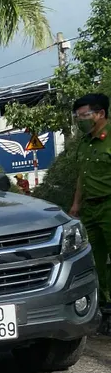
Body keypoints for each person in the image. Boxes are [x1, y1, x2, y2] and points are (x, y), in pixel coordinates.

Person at [70, 93, 111, 324]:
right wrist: (76, 205)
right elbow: (81, 177)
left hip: (109, 204)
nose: (80, 121)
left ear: (101, 113)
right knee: (94, 259)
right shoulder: (85, 143)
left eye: (84, 116)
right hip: (90, 209)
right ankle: (105, 306)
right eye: (77, 117)